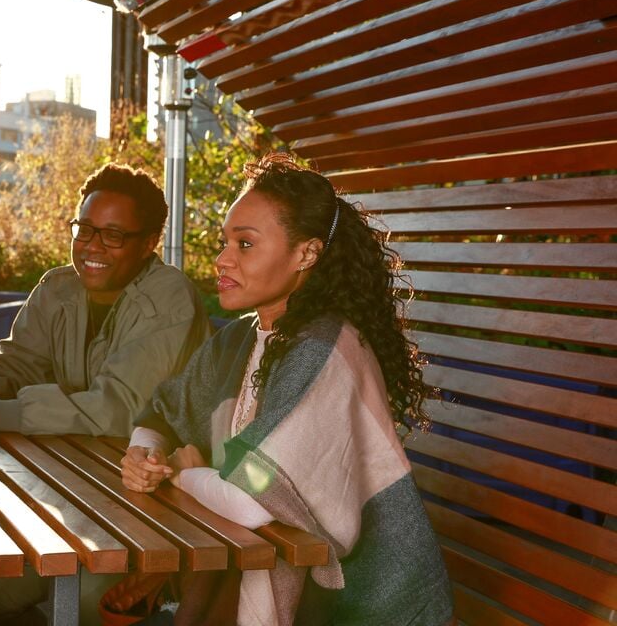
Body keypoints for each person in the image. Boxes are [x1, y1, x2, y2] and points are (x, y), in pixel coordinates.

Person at [121, 155, 453, 625]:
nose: (222, 259)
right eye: (224, 242)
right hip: (281, 579)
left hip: (368, 608)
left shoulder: (326, 351)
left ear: (306, 254)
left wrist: (181, 472)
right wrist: (144, 456)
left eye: (246, 244)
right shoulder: (239, 338)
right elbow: (162, 412)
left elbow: (251, 498)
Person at [0, 163, 212, 625]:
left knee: (89, 609)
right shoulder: (57, 286)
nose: (92, 246)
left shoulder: (170, 296)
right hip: (71, 485)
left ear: (148, 244)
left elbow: (120, 407)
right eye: (85, 229)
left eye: (113, 235)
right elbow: (19, 360)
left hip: (152, 496)